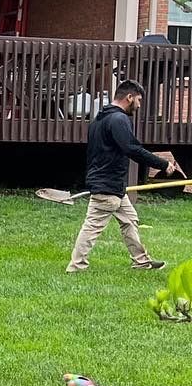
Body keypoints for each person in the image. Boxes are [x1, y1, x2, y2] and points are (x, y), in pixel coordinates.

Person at [66, 79, 184, 273]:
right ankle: (76, 266)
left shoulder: (100, 119)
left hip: (113, 185)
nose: (138, 105)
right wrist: (163, 164)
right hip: (107, 185)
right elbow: (133, 149)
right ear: (129, 97)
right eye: (138, 100)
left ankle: (141, 261)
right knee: (92, 227)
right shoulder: (118, 120)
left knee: (130, 220)